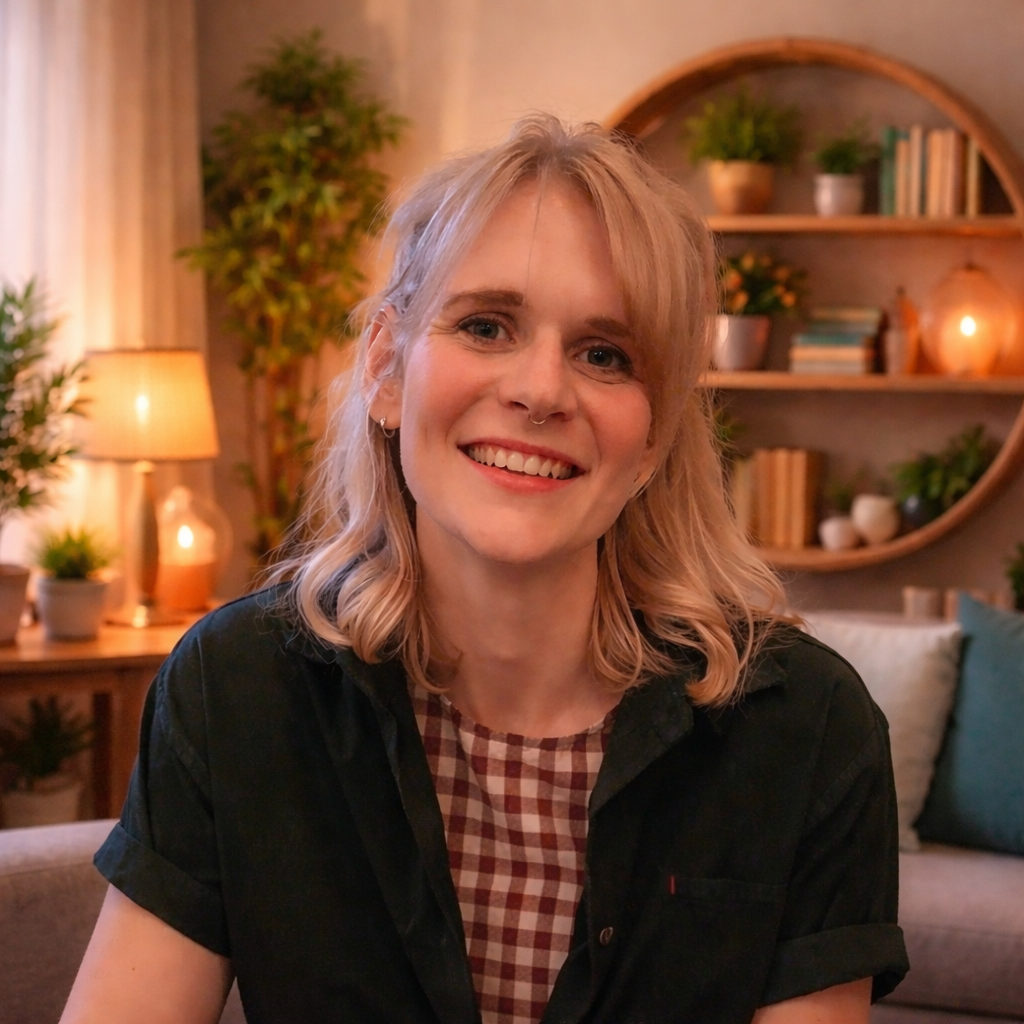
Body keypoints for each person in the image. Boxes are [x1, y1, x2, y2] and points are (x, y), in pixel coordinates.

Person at [61, 114, 908, 1024]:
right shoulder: (237, 689)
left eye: (603, 354)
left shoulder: (807, 728)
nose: (541, 390)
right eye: (486, 325)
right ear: (388, 367)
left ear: (657, 435)